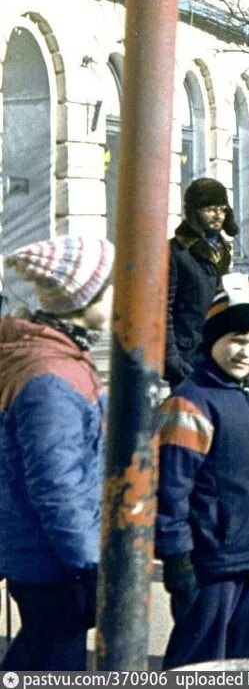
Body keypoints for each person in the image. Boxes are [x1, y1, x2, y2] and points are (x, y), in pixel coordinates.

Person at [155, 274, 249, 669]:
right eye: (237, 340)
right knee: (200, 659)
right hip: (212, 560)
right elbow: (172, 490)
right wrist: (177, 557)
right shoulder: (191, 403)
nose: (245, 352)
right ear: (214, 339)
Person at [0, 235, 115, 671]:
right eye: (108, 288)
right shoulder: (51, 375)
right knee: (52, 661)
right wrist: (87, 564)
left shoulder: (56, 355)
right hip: (52, 559)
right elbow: (57, 484)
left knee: (42, 652)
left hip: (45, 552)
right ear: (83, 298)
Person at [165, 177, 238, 388]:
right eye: (210, 209)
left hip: (218, 349)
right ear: (195, 212)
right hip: (187, 355)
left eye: (223, 210)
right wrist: (172, 357)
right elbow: (164, 309)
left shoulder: (223, 249)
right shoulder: (177, 252)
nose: (218, 216)